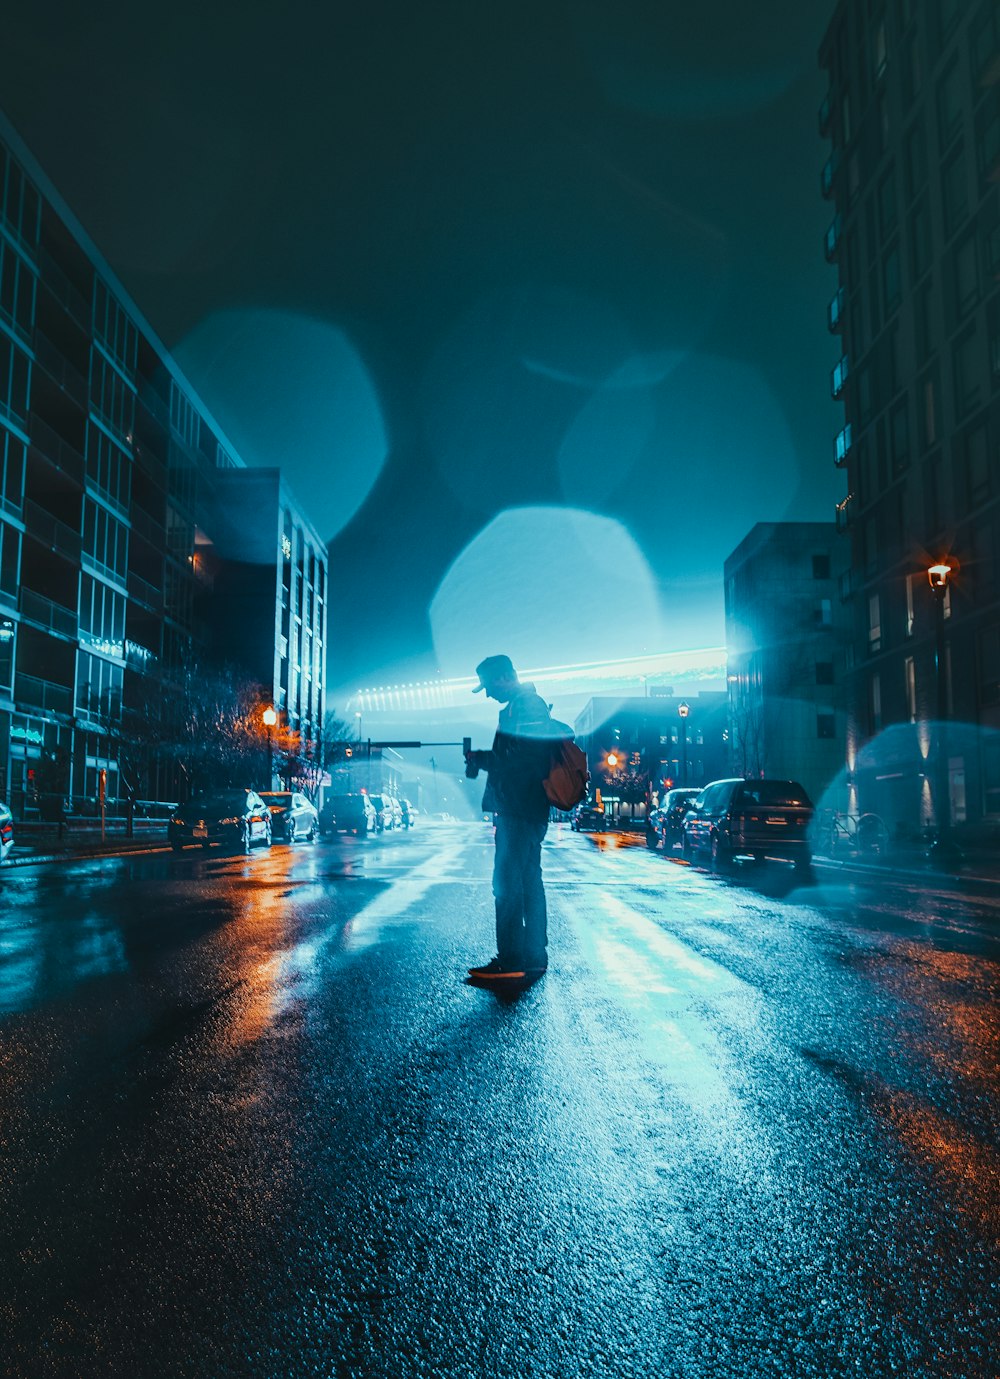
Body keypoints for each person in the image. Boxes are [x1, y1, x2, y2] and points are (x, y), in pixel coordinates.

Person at [464, 654, 555, 981]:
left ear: (504, 676)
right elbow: (520, 756)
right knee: (529, 881)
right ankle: (531, 956)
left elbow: (524, 759)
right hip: (525, 808)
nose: (488, 694)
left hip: (520, 808)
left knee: (507, 883)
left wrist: (484, 759)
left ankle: (512, 959)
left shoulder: (526, 706)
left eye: (489, 686)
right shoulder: (524, 706)